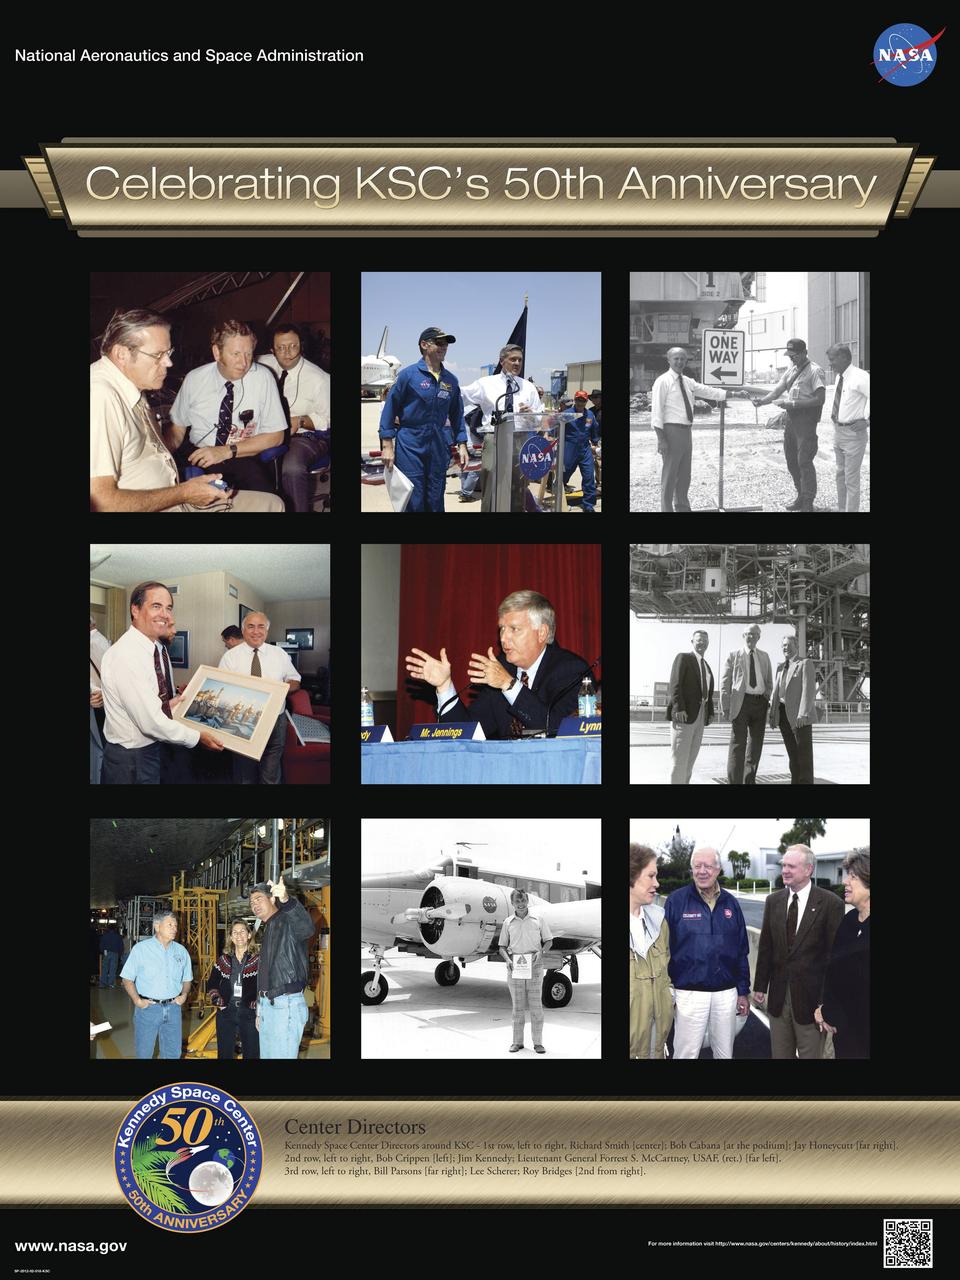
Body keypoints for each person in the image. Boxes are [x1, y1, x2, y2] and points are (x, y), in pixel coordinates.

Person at [90, 308, 284, 512]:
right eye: (158, 354)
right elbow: (100, 502)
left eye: (168, 353)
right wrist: (184, 491)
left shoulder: (132, 385)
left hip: (231, 461)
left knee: (271, 500)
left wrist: (221, 455)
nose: (169, 363)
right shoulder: (100, 396)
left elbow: (277, 435)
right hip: (185, 477)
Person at [405, 589, 589, 739]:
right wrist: (444, 686)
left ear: (541, 633)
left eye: (514, 629)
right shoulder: (502, 668)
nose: (503, 638)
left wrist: (509, 685)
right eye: (502, 629)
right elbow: (466, 732)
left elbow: (560, 730)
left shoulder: (571, 670)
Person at [100, 581, 224, 783]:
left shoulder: (149, 650)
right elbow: (150, 723)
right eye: (156, 606)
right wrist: (198, 737)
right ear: (135, 610)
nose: (165, 615)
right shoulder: (127, 655)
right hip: (131, 759)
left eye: (168, 608)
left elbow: (145, 703)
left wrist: (167, 704)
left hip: (148, 751)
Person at [168, 319, 287, 495]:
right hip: (199, 456)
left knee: (269, 501)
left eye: (248, 354)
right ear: (217, 352)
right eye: (236, 354)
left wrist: (225, 451)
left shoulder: (263, 378)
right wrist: (161, 455)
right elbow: (177, 430)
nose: (244, 363)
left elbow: (276, 436)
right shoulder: (194, 379)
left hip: (242, 455)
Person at [753, 845, 844, 1058]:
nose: (784, 870)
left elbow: (833, 958)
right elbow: (766, 946)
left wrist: (825, 1002)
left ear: (808, 869)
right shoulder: (773, 901)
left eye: (791, 866)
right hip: (778, 999)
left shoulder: (831, 904)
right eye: (783, 865)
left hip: (812, 1004)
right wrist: (760, 986)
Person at [664, 848, 750, 1058]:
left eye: (708, 866)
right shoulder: (676, 901)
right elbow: (664, 949)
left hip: (726, 994)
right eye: (697, 866)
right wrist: (668, 990)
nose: (702, 871)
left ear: (718, 869)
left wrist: (742, 991)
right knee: (686, 1053)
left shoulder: (731, 903)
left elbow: (741, 951)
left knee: (724, 1052)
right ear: (691, 869)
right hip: (689, 993)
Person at [378, 327, 468, 513]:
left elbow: (457, 414)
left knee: (436, 498)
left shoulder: (451, 380)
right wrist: (387, 445)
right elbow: (390, 409)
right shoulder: (408, 375)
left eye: (446, 344)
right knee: (414, 499)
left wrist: (462, 444)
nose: (444, 347)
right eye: (439, 342)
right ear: (424, 345)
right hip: (410, 444)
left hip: (438, 445)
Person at [218, 611, 300, 784]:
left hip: (275, 720)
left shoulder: (279, 654)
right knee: (245, 774)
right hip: (242, 721)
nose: (256, 631)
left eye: (261, 627)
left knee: (271, 773)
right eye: (251, 626)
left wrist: (282, 689)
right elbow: (222, 687)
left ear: (267, 631)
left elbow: (295, 680)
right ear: (243, 630)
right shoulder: (230, 657)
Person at [458, 345, 543, 508]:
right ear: (502, 361)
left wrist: (531, 413)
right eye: (513, 359)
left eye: (520, 360)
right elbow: (461, 395)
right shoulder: (486, 383)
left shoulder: (528, 387)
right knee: (491, 477)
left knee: (518, 484)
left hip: (520, 439)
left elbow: (539, 419)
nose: (517, 363)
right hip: (494, 438)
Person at [259, 323, 331, 512]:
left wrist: (300, 420)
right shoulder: (263, 364)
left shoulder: (319, 379)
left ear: (301, 346)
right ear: (272, 350)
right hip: (267, 432)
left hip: (305, 436)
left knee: (291, 468)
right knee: (245, 463)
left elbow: (328, 420)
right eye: (281, 348)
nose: (287, 353)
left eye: (293, 346)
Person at [751, 338, 825, 511]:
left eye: (795, 355)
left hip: (806, 421)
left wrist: (793, 404)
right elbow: (777, 391)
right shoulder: (791, 370)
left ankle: (808, 502)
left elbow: (820, 399)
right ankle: (800, 496)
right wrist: (761, 402)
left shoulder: (815, 371)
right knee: (791, 460)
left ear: (804, 353)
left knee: (804, 461)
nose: (792, 358)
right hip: (791, 420)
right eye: (789, 355)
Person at [650, 346, 727, 512]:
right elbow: (656, 412)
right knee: (670, 476)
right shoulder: (663, 381)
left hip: (686, 431)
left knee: (685, 475)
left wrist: (731, 394)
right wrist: (661, 439)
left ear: (686, 361)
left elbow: (707, 391)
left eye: (682, 359)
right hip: (670, 431)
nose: (679, 362)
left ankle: (682, 508)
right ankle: (666, 510)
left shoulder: (687, 381)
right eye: (676, 359)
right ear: (669, 360)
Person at [249, 878, 316, 1059]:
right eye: (251, 902)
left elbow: (307, 928)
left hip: (285, 1004)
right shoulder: (269, 926)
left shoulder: (286, 920)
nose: (254, 905)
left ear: (272, 899)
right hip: (268, 1005)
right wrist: (260, 1009)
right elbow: (265, 974)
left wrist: (286, 900)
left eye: (258, 899)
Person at [815, 849, 870, 1058]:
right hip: (844, 1037)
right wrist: (825, 1009)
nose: (845, 881)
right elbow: (834, 973)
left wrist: (829, 1013)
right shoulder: (849, 920)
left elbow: (862, 988)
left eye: (853, 877)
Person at [120, 912, 192, 1060]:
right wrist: (137, 1001)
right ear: (157, 926)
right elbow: (127, 979)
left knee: (173, 1054)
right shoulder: (141, 949)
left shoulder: (181, 951)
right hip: (148, 1009)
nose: (174, 929)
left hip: (173, 1008)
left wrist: (184, 994)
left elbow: (187, 979)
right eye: (170, 925)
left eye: (176, 925)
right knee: (144, 1053)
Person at [629, 845, 673, 1059]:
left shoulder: (659, 924)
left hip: (657, 1047)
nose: (657, 883)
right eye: (651, 876)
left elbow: (667, 974)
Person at [498, 889, 553, 1054]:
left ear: (527, 900)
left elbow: (549, 941)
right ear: (512, 903)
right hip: (515, 967)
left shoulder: (538, 919)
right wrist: (508, 960)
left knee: (536, 1007)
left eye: (523, 900)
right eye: (517, 901)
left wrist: (541, 952)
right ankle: (517, 1042)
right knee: (517, 1007)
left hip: (534, 966)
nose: (520, 904)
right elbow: (501, 946)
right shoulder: (508, 922)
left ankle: (538, 1043)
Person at [721, 624, 773, 785]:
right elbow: (725, 683)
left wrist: (766, 696)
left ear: (759, 637)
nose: (751, 637)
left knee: (755, 746)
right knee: (738, 745)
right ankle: (734, 782)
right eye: (748, 634)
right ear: (743, 636)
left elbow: (769, 681)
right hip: (741, 703)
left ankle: (749, 780)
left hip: (760, 704)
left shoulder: (764, 656)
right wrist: (726, 706)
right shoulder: (733, 655)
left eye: (754, 634)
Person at [206, 918, 260, 1060]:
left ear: (249, 935)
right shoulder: (223, 960)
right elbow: (211, 983)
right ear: (230, 937)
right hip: (226, 1012)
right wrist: (219, 1002)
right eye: (235, 932)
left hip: (249, 1013)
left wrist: (257, 1007)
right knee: (224, 1054)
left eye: (242, 931)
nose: (238, 935)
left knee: (252, 1054)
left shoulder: (258, 960)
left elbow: (265, 986)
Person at [826, 343, 870, 512]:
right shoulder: (840, 377)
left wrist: (867, 421)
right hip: (838, 432)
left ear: (844, 357)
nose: (830, 364)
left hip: (853, 434)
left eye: (832, 360)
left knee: (851, 479)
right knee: (840, 475)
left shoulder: (860, 377)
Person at [667, 630, 714, 784]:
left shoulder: (706, 666)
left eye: (705, 640)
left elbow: (707, 692)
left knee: (690, 762)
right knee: (679, 761)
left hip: (700, 716)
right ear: (692, 641)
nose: (702, 643)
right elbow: (675, 683)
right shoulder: (684, 658)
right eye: (699, 640)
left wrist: (710, 712)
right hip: (685, 715)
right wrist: (679, 708)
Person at [769, 634, 816, 784]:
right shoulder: (780, 667)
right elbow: (776, 693)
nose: (786, 648)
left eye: (789, 645)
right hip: (783, 716)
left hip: (799, 717)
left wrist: (803, 713)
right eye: (784, 645)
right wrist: (773, 715)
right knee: (793, 756)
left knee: (804, 758)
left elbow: (808, 690)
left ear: (796, 646)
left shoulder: (804, 663)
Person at [562, 391, 600, 513]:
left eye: (583, 400)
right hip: (569, 447)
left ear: (586, 401)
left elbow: (594, 430)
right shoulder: (567, 414)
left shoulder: (590, 415)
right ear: (575, 400)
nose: (580, 403)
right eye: (578, 400)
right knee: (564, 473)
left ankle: (588, 504)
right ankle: (559, 498)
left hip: (585, 449)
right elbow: (555, 428)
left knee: (589, 476)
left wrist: (595, 443)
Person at [98, 924, 123, 988]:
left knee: (104, 969)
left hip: (106, 953)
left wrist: (103, 951)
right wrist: (120, 954)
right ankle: (111, 984)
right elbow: (121, 947)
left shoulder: (104, 936)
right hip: (115, 954)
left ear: (108, 929)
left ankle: (102, 984)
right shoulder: (118, 936)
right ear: (115, 929)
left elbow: (101, 945)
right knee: (113, 969)